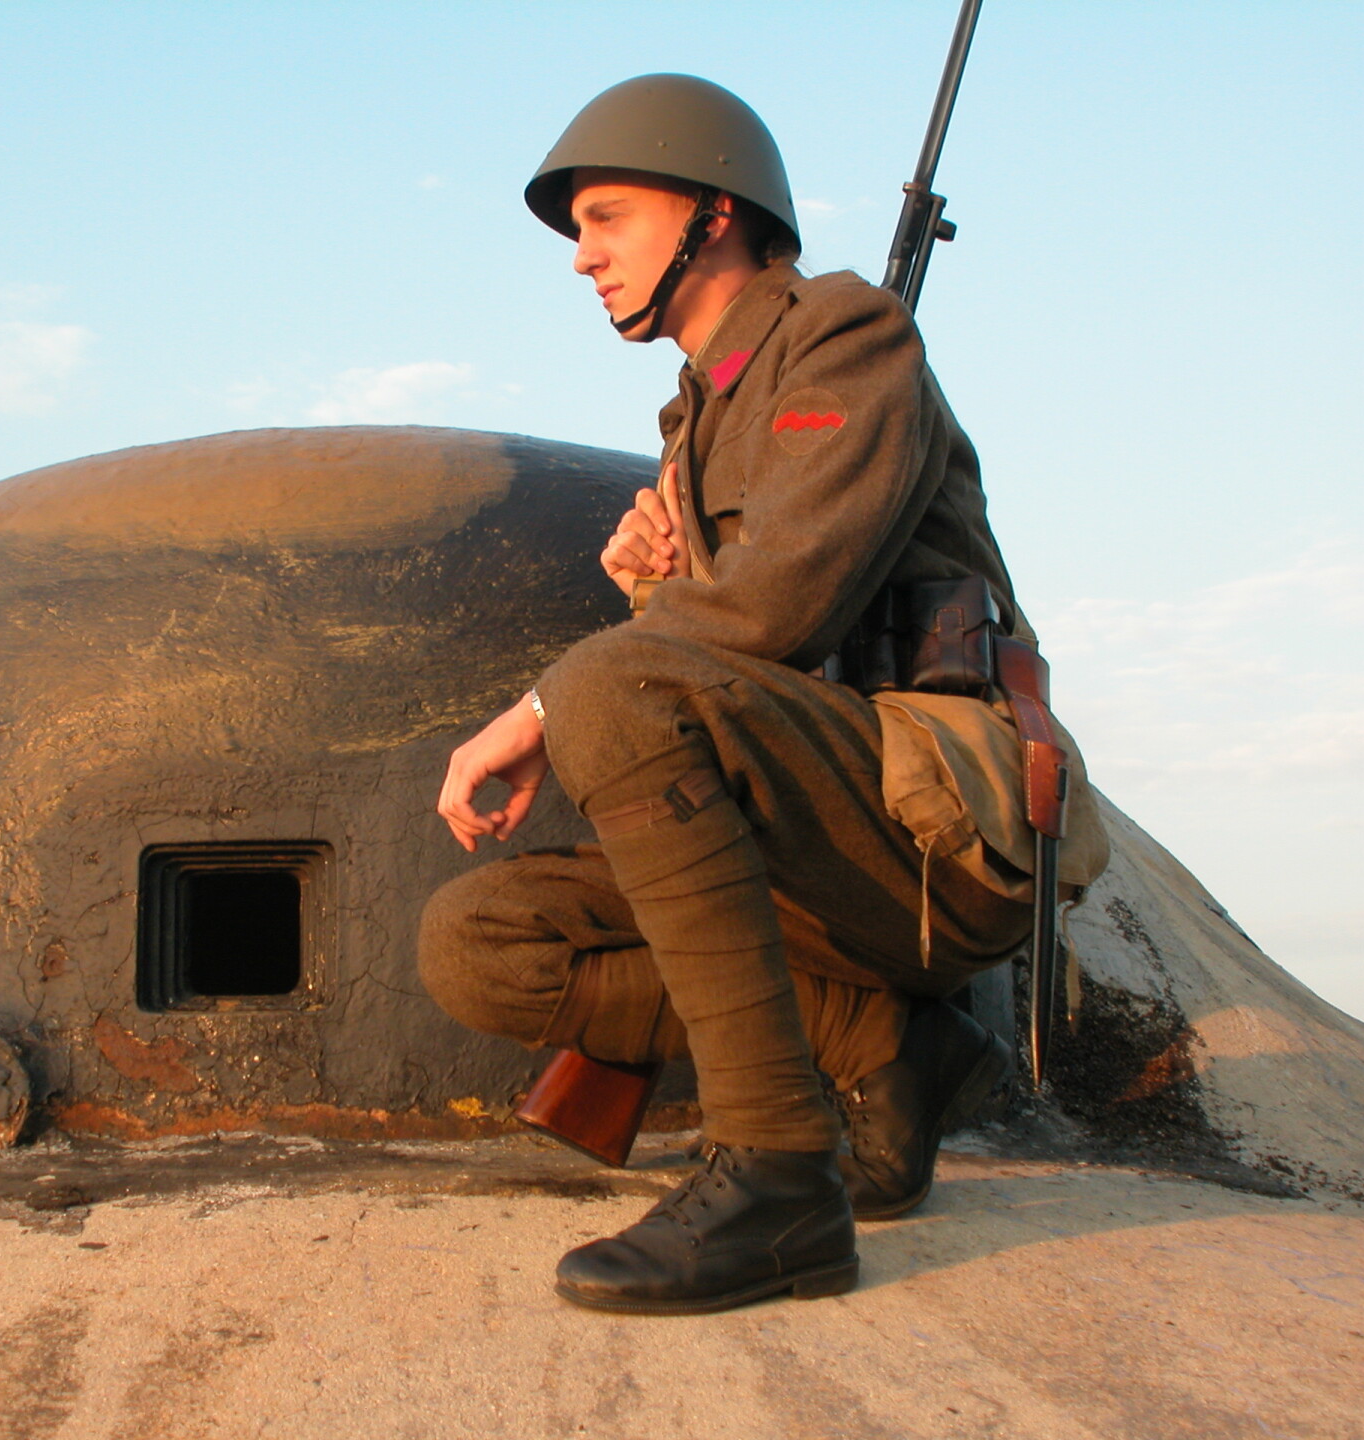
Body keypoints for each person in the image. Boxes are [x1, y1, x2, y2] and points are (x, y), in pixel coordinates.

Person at [419, 73, 1108, 1315]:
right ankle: (883, 1049)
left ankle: (777, 1177)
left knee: (606, 687)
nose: (582, 257)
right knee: (472, 945)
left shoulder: (846, 338)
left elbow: (772, 616)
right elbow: (728, 672)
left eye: (608, 218)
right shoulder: (695, 422)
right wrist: (654, 590)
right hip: (810, 832)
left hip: (933, 834)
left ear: (714, 211)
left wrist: (541, 712)